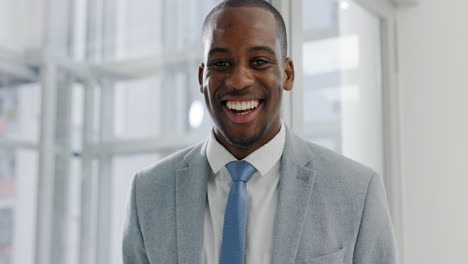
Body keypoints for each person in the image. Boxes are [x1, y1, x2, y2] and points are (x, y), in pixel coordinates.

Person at [123, 0, 399, 263]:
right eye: (221, 63)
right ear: (201, 78)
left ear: (288, 74)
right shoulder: (147, 193)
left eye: (259, 62)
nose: (239, 81)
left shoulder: (356, 191)